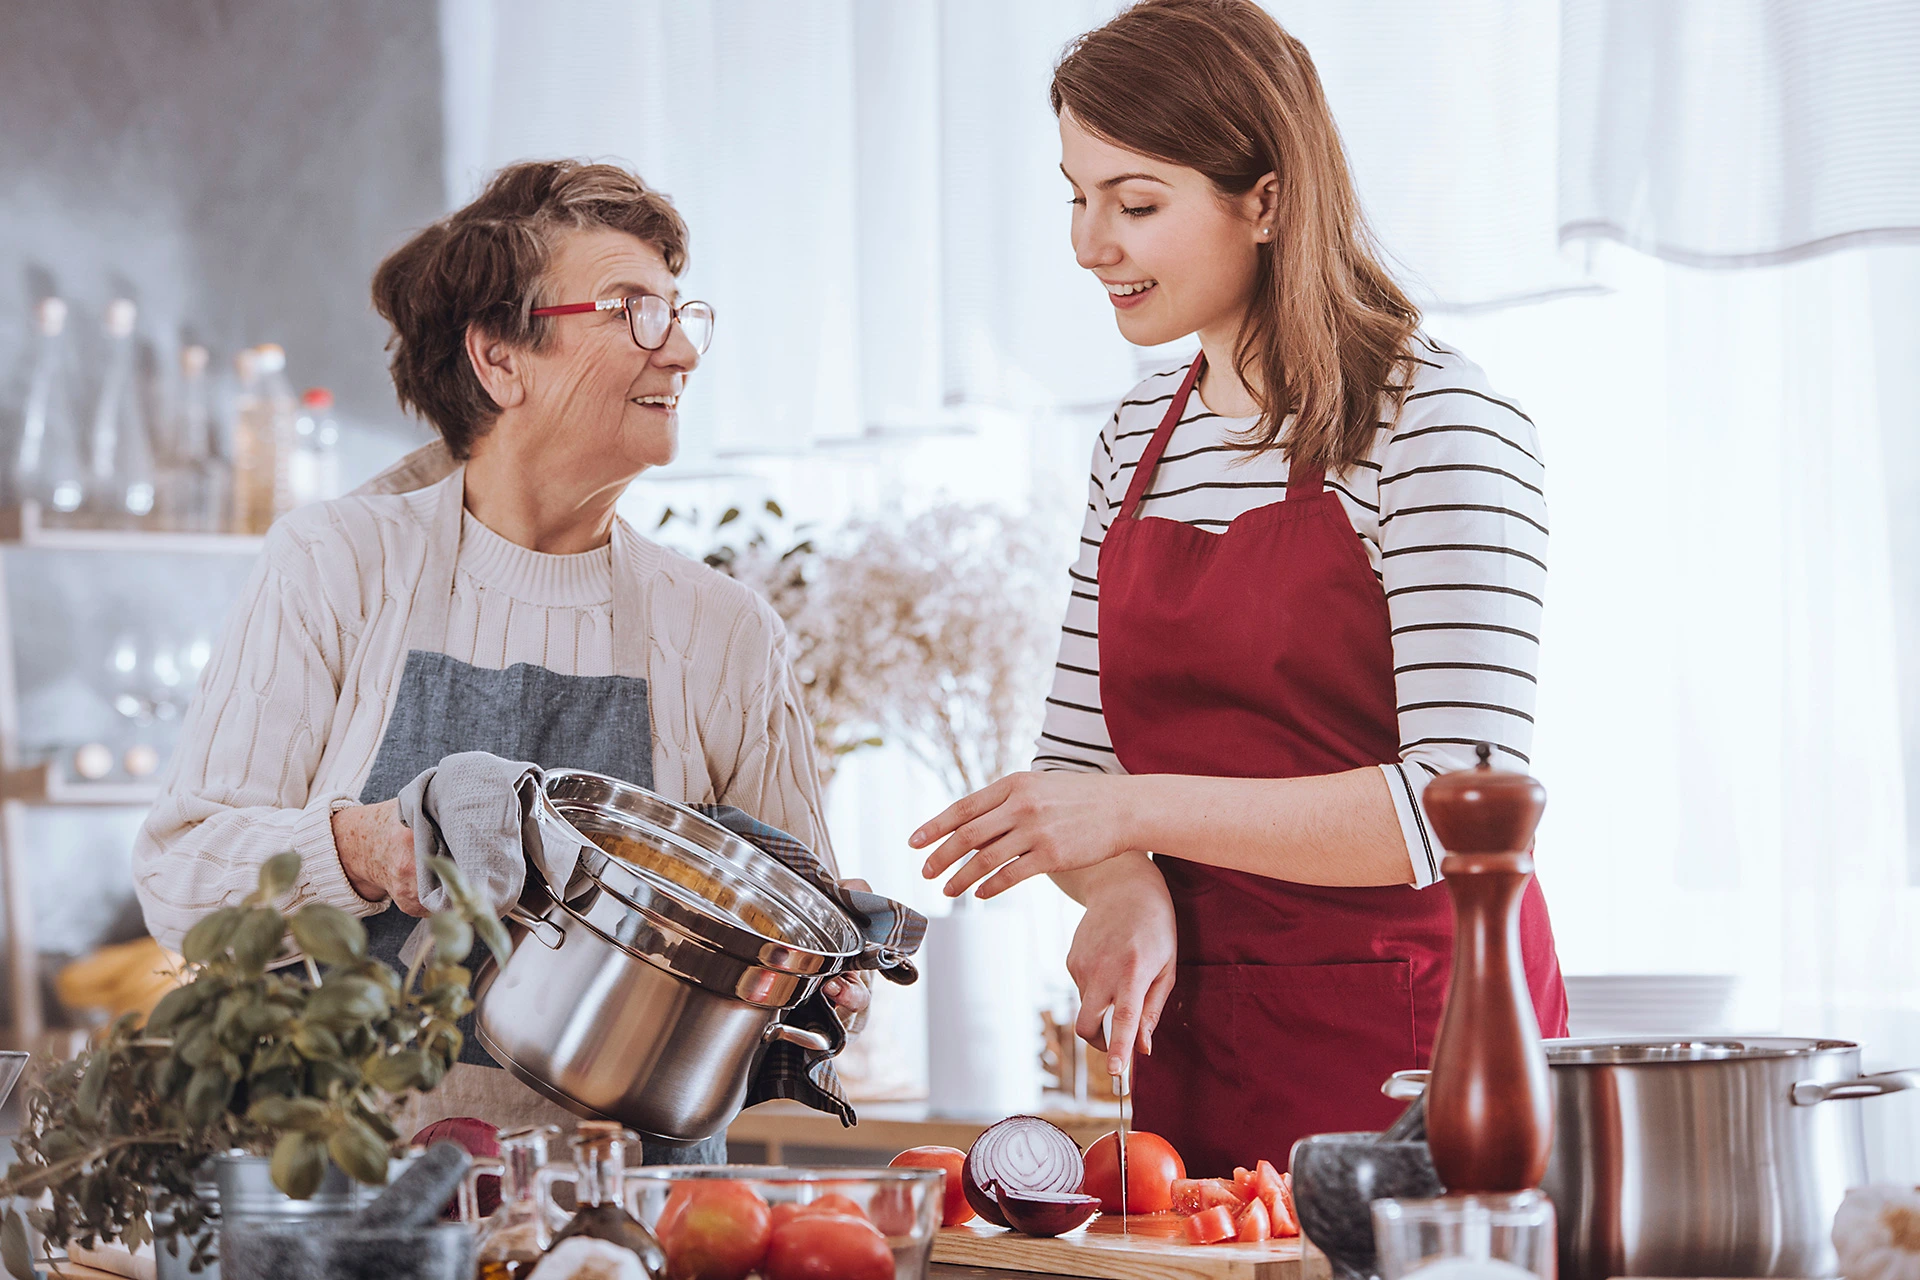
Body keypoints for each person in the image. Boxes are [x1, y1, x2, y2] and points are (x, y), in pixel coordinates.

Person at [913, 0, 1568, 1171]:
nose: (1088, 242)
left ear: (1265, 200)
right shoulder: (1135, 441)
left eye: (1137, 202)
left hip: (1417, 1058)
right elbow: (1078, 772)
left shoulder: (1437, 422)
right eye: (1076, 193)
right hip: (1198, 1056)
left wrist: (1134, 816)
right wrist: (1119, 885)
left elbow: (1460, 804)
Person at [133, 160, 867, 1158]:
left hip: (632, 1229)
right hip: (357, 1206)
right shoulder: (340, 564)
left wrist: (825, 976)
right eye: (632, 310)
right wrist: (363, 845)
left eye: (680, 311)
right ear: (500, 358)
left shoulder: (723, 627)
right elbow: (179, 877)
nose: (684, 347)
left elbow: (799, 942)